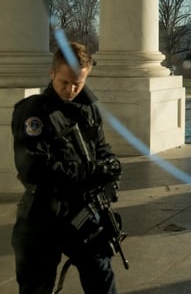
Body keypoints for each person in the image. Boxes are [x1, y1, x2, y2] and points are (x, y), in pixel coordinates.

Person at [11, 42, 122, 294]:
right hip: (43, 216)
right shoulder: (32, 112)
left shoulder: (88, 109)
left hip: (82, 214)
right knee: (36, 287)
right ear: (52, 74)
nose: (71, 89)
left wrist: (112, 166)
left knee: (102, 278)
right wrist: (92, 172)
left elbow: (100, 148)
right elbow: (33, 168)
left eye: (78, 83)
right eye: (65, 82)